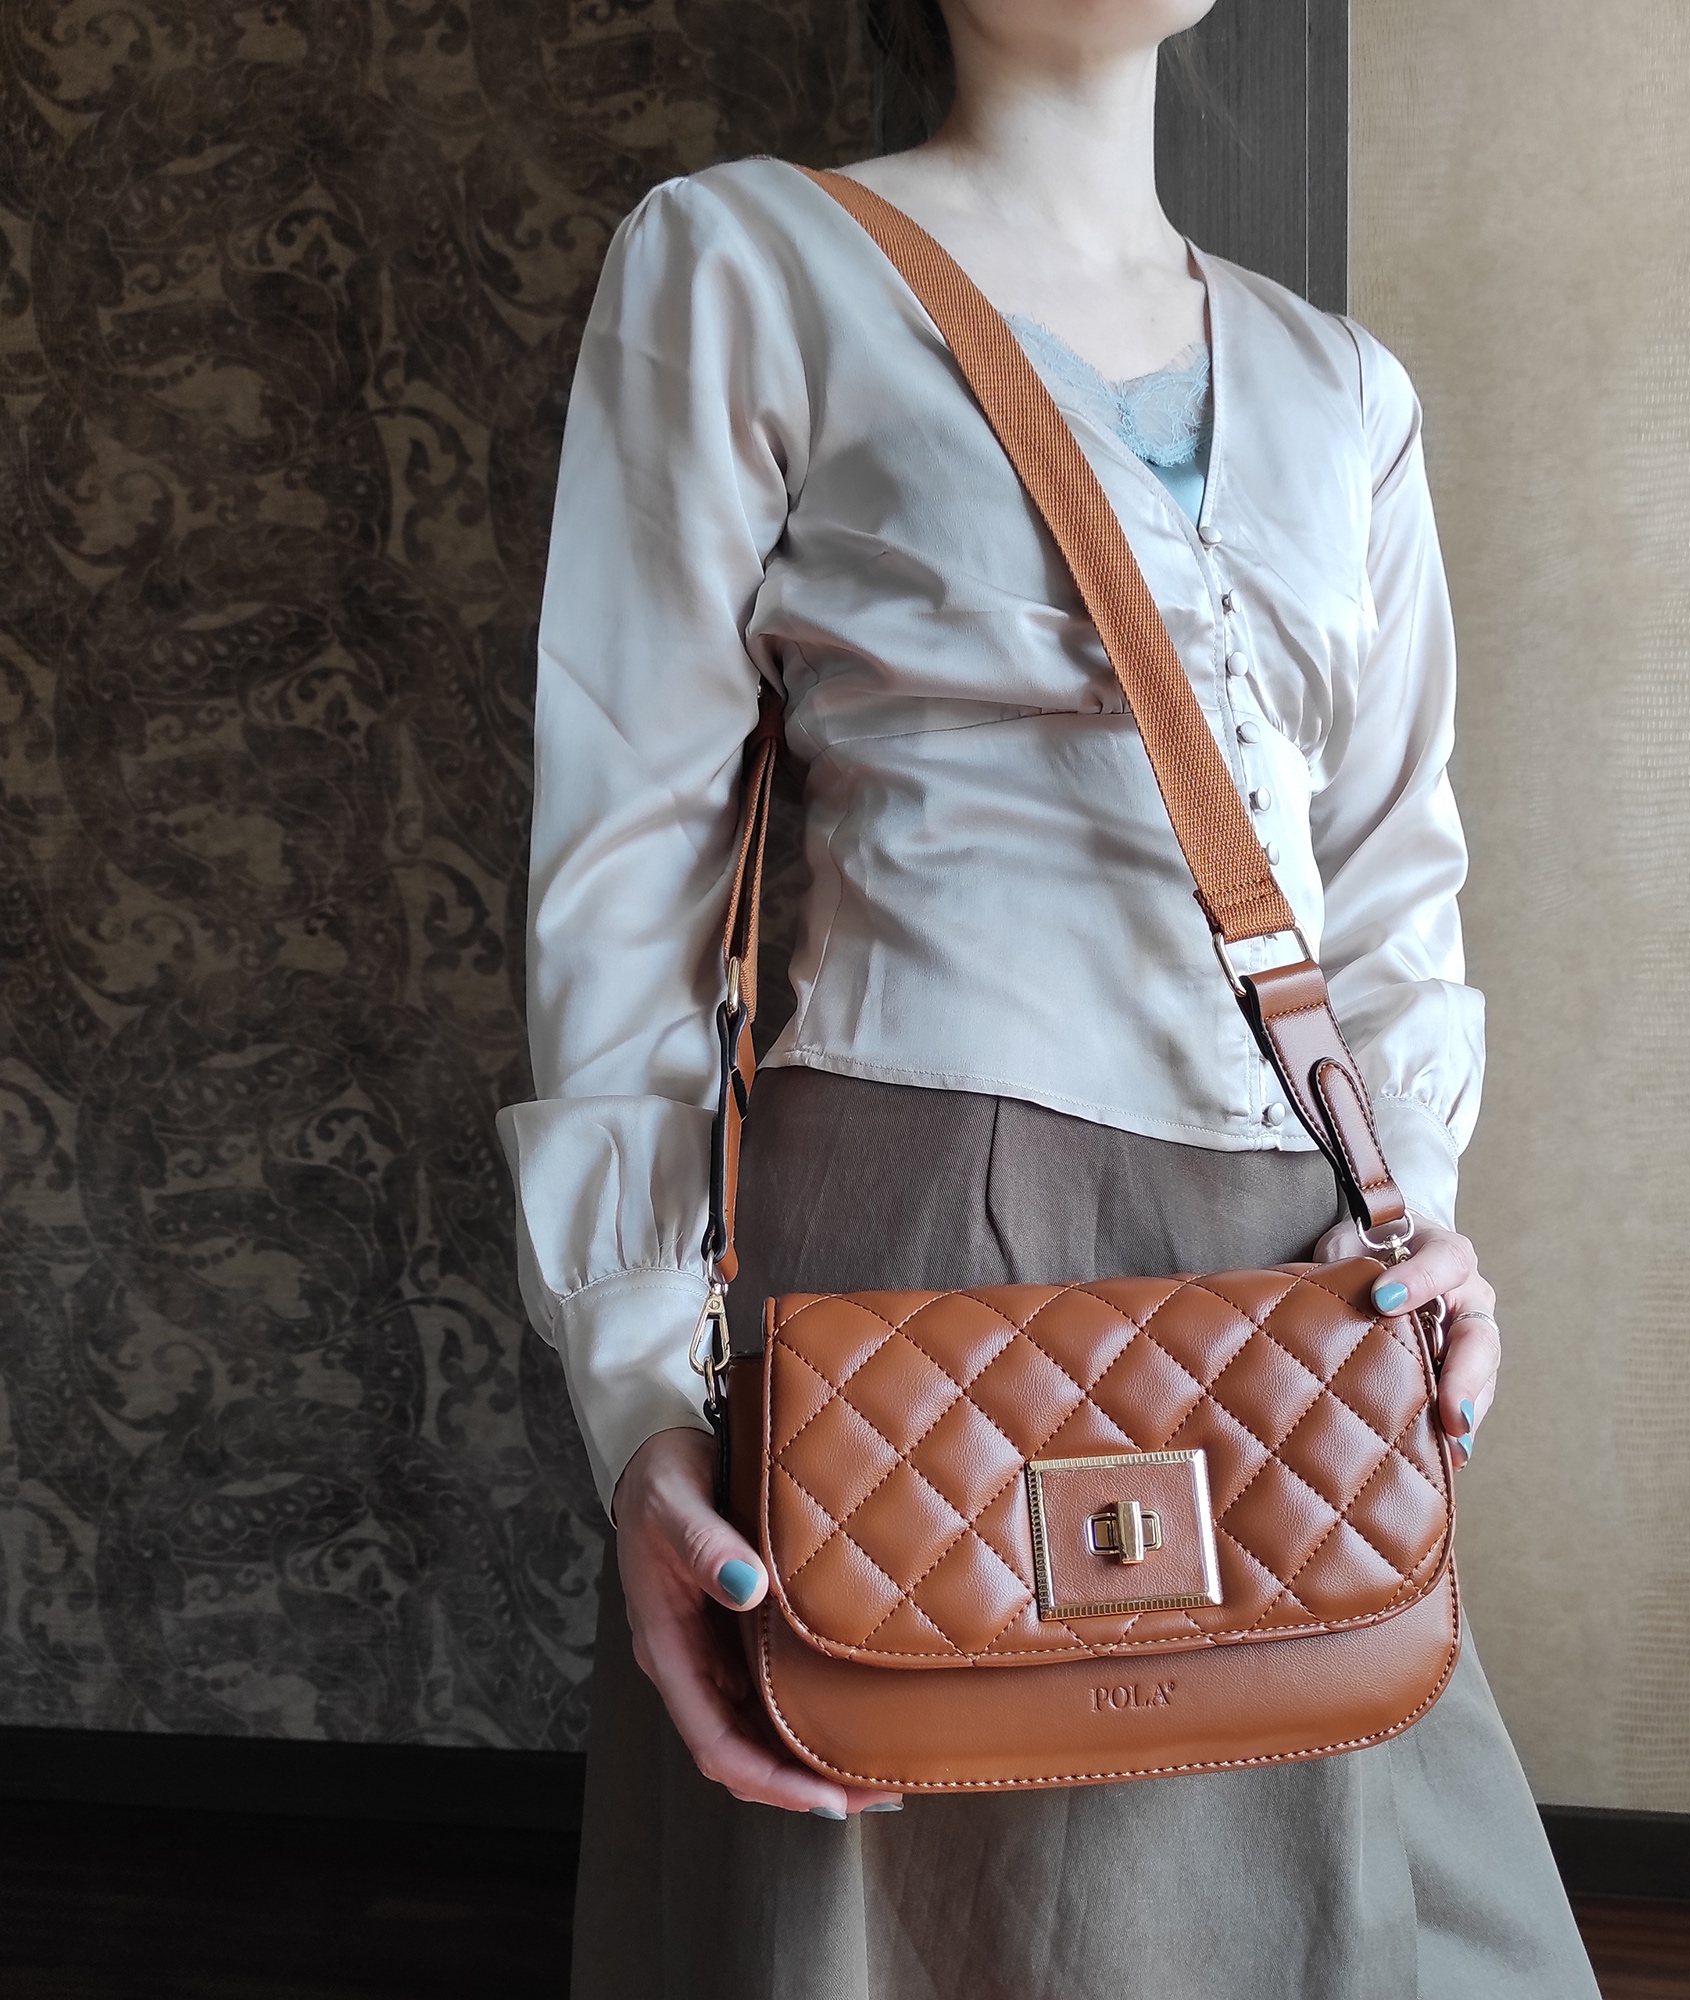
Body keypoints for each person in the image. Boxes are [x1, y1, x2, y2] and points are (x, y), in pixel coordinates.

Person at [494, 2, 1605, 1993]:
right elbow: (627, 866)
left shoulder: (1341, 388)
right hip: (908, 1232)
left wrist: (1416, 1207)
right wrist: (643, 1388)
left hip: (1291, 1266)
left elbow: (1389, 885)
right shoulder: (745, 259)